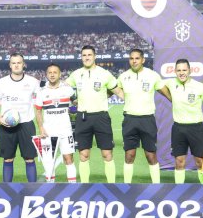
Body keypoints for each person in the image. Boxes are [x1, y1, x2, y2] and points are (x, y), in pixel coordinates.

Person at [66, 45, 124, 183]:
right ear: (81, 57)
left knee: (107, 154)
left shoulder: (104, 73)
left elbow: (119, 92)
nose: (86, 58)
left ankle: (112, 186)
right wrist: (73, 100)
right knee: (83, 155)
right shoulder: (76, 74)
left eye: (89, 55)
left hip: (101, 117)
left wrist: (132, 102)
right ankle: (84, 186)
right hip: (83, 117)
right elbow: (64, 90)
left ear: (94, 56)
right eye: (84, 55)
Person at [118, 48, 171, 183]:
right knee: (129, 155)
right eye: (131, 58)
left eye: (137, 58)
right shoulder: (123, 76)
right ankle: (127, 185)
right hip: (129, 119)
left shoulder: (153, 75)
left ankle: (156, 185)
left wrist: (179, 102)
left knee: (151, 155)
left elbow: (167, 94)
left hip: (147, 120)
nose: (134, 61)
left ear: (143, 60)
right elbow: (110, 91)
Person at [164, 59, 203, 184]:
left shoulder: (199, 87)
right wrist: (171, 98)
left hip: (196, 128)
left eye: (184, 70)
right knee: (179, 161)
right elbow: (159, 86)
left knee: (200, 161)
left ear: (190, 71)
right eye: (179, 70)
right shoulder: (170, 83)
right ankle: (178, 190)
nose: (182, 73)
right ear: (175, 71)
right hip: (178, 128)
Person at [0, 53, 40, 182]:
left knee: (29, 159)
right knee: (8, 159)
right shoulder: (2, 82)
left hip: (27, 124)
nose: (16, 65)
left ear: (24, 64)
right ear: (10, 65)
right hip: (8, 126)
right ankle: (7, 189)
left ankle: (32, 190)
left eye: (19, 62)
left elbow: (41, 100)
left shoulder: (33, 81)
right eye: (14, 63)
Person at [35, 63, 77, 183]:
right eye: (50, 72)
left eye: (55, 72)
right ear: (46, 74)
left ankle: (72, 187)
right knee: (49, 162)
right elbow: (38, 112)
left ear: (60, 74)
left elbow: (77, 103)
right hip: (49, 131)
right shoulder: (41, 91)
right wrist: (41, 128)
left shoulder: (67, 89)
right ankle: (50, 188)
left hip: (66, 130)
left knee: (68, 158)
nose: (52, 75)